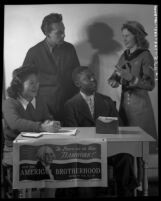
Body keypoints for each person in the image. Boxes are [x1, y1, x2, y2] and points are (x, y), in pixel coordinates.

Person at [63, 66, 139, 197]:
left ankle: (126, 193)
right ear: (77, 83)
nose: (93, 79)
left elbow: (119, 125)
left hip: (109, 148)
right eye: (88, 78)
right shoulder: (70, 105)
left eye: (93, 76)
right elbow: (73, 134)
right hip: (85, 153)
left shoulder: (107, 101)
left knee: (126, 156)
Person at [108, 21, 158, 190]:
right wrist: (113, 79)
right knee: (127, 146)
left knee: (140, 147)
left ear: (136, 35)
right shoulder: (124, 54)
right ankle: (131, 184)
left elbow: (150, 85)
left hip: (139, 107)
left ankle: (142, 186)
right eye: (123, 36)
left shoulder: (146, 55)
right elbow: (116, 73)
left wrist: (130, 78)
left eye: (127, 36)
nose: (124, 39)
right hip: (124, 106)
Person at [2, 65, 61, 198]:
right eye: (31, 83)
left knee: (55, 170)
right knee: (36, 171)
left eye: (37, 82)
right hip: (14, 149)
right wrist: (42, 127)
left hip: (40, 148)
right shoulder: (10, 103)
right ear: (19, 84)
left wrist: (51, 123)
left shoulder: (40, 101)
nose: (36, 86)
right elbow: (15, 123)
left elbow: (47, 117)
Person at [23, 13, 80, 121]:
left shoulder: (70, 48)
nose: (64, 35)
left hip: (68, 105)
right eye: (59, 33)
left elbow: (77, 74)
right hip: (43, 108)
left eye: (63, 31)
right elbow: (24, 80)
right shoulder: (34, 52)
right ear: (47, 33)